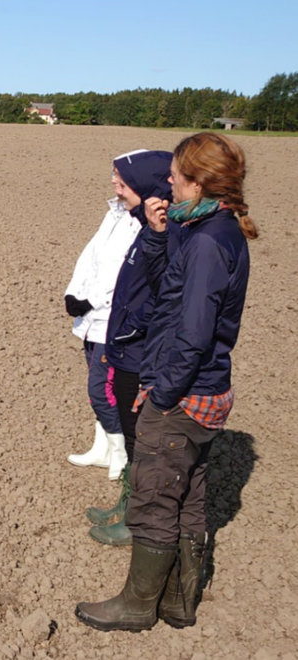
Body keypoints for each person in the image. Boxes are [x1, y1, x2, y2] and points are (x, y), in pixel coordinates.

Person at [76, 132, 257, 632]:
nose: (169, 179)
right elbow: (169, 293)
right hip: (206, 389)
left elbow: (192, 332)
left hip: (185, 393)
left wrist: (163, 391)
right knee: (189, 496)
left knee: (156, 498)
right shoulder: (211, 230)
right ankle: (179, 601)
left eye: (177, 173)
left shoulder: (205, 242)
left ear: (198, 182)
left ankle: (136, 607)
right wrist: (158, 235)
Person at [86, 150, 174, 546]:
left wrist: (127, 333)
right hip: (128, 350)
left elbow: (160, 298)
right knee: (132, 432)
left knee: (141, 440)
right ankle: (126, 504)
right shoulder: (148, 229)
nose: (114, 186)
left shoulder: (169, 234)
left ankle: (136, 519)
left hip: (141, 354)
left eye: (122, 181)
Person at [64, 151, 145, 480]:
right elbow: (91, 255)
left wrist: (90, 302)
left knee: (102, 390)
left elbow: (122, 277)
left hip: (111, 321)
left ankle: (121, 452)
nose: (114, 181)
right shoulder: (113, 213)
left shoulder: (141, 224)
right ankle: (102, 449)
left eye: (120, 177)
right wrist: (74, 292)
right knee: (97, 389)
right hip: (91, 320)